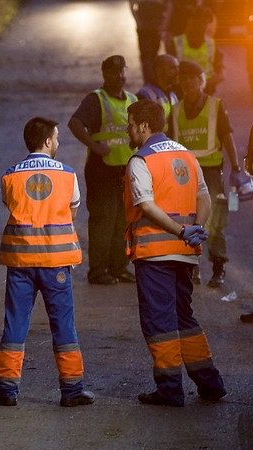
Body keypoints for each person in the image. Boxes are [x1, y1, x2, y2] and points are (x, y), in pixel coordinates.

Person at [124, 99, 226, 406]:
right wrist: (196, 228)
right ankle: (210, 383)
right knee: (183, 316)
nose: (128, 130)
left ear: (144, 126)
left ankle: (169, 389)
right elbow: (204, 197)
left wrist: (181, 231)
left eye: (131, 124)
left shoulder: (141, 160)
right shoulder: (186, 154)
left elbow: (146, 206)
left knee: (159, 321)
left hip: (155, 253)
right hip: (185, 252)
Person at [0, 116, 95, 408]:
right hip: (56, 261)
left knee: (15, 323)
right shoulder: (68, 175)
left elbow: (11, 206)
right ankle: (72, 389)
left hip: (20, 261)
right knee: (63, 324)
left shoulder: (10, 176)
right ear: (48, 141)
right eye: (57, 138)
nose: (58, 142)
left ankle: (6, 389)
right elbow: (72, 211)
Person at [170, 60, 242, 287]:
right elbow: (170, 143)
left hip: (210, 172)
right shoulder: (175, 110)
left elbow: (227, 136)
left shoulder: (215, 106)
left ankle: (218, 267)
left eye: (192, 79)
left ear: (201, 81)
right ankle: (193, 267)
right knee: (188, 219)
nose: (188, 84)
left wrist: (236, 167)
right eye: (183, 80)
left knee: (214, 220)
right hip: (184, 173)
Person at [69, 55, 138, 285]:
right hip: (102, 169)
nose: (119, 76)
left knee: (123, 221)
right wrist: (94, 146)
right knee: (103, 220)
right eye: (114, 72)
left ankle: (119, 267)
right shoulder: (96, 99)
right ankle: (98, 271)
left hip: (126, 169)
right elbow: (75, 123)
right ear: (105, 74)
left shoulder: (132, 99)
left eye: (122, 71)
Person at [170, 6, 224, 95]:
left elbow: (220, 74)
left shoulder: (211, 44)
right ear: (189, 23)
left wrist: (203, 84)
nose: (201, 27)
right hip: (182, 93)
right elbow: (169, 73)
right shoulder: (176, 43)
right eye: (198, 23)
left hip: (206, 92)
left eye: (204, 23)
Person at [129, 0, 171, 86]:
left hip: (155, 26)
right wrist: (137, 21)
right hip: (144, 27)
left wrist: (164, 24)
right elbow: (131, 3)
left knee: (152, 56)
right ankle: (148, 82)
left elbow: (169, 5)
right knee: (146, 57)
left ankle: (152, 81)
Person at [136, 53, 179, 125]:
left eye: (177, 67)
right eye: (172, 68)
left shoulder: (173, 94)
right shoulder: (144, 95)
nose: (177, 71)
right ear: (159, 71)